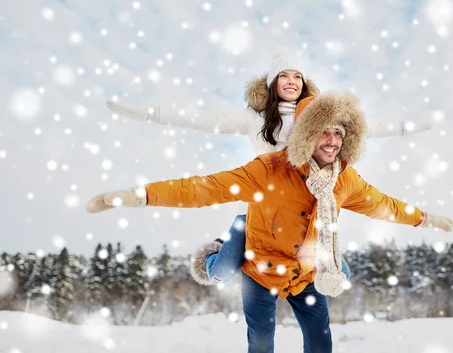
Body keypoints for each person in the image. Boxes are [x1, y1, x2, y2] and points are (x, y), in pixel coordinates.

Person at [87, 91, 453, 353]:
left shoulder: (346, 180)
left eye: (339, 133)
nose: (331, 140)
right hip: (260, 269)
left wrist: (426, 219)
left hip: (306, 273)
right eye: (324, 131)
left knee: (321, 339)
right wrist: (138, 195)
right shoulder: (270, 169)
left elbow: (384, 205)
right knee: (261, 341)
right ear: (307, 134)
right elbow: (204, 188)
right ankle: (226, 243)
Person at [105, 48, 432, 287]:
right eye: (284, 76)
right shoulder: (255, 118)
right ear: (273, 83)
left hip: (308, 216)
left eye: (297, 76)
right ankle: (226, 241)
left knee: (340, 275)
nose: (291, 81)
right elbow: (204, 120)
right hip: (263, 211)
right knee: (219, 274)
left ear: (305, 84)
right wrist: (150, 113)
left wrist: (408, 127)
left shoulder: (319, 118)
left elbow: (366, 127)